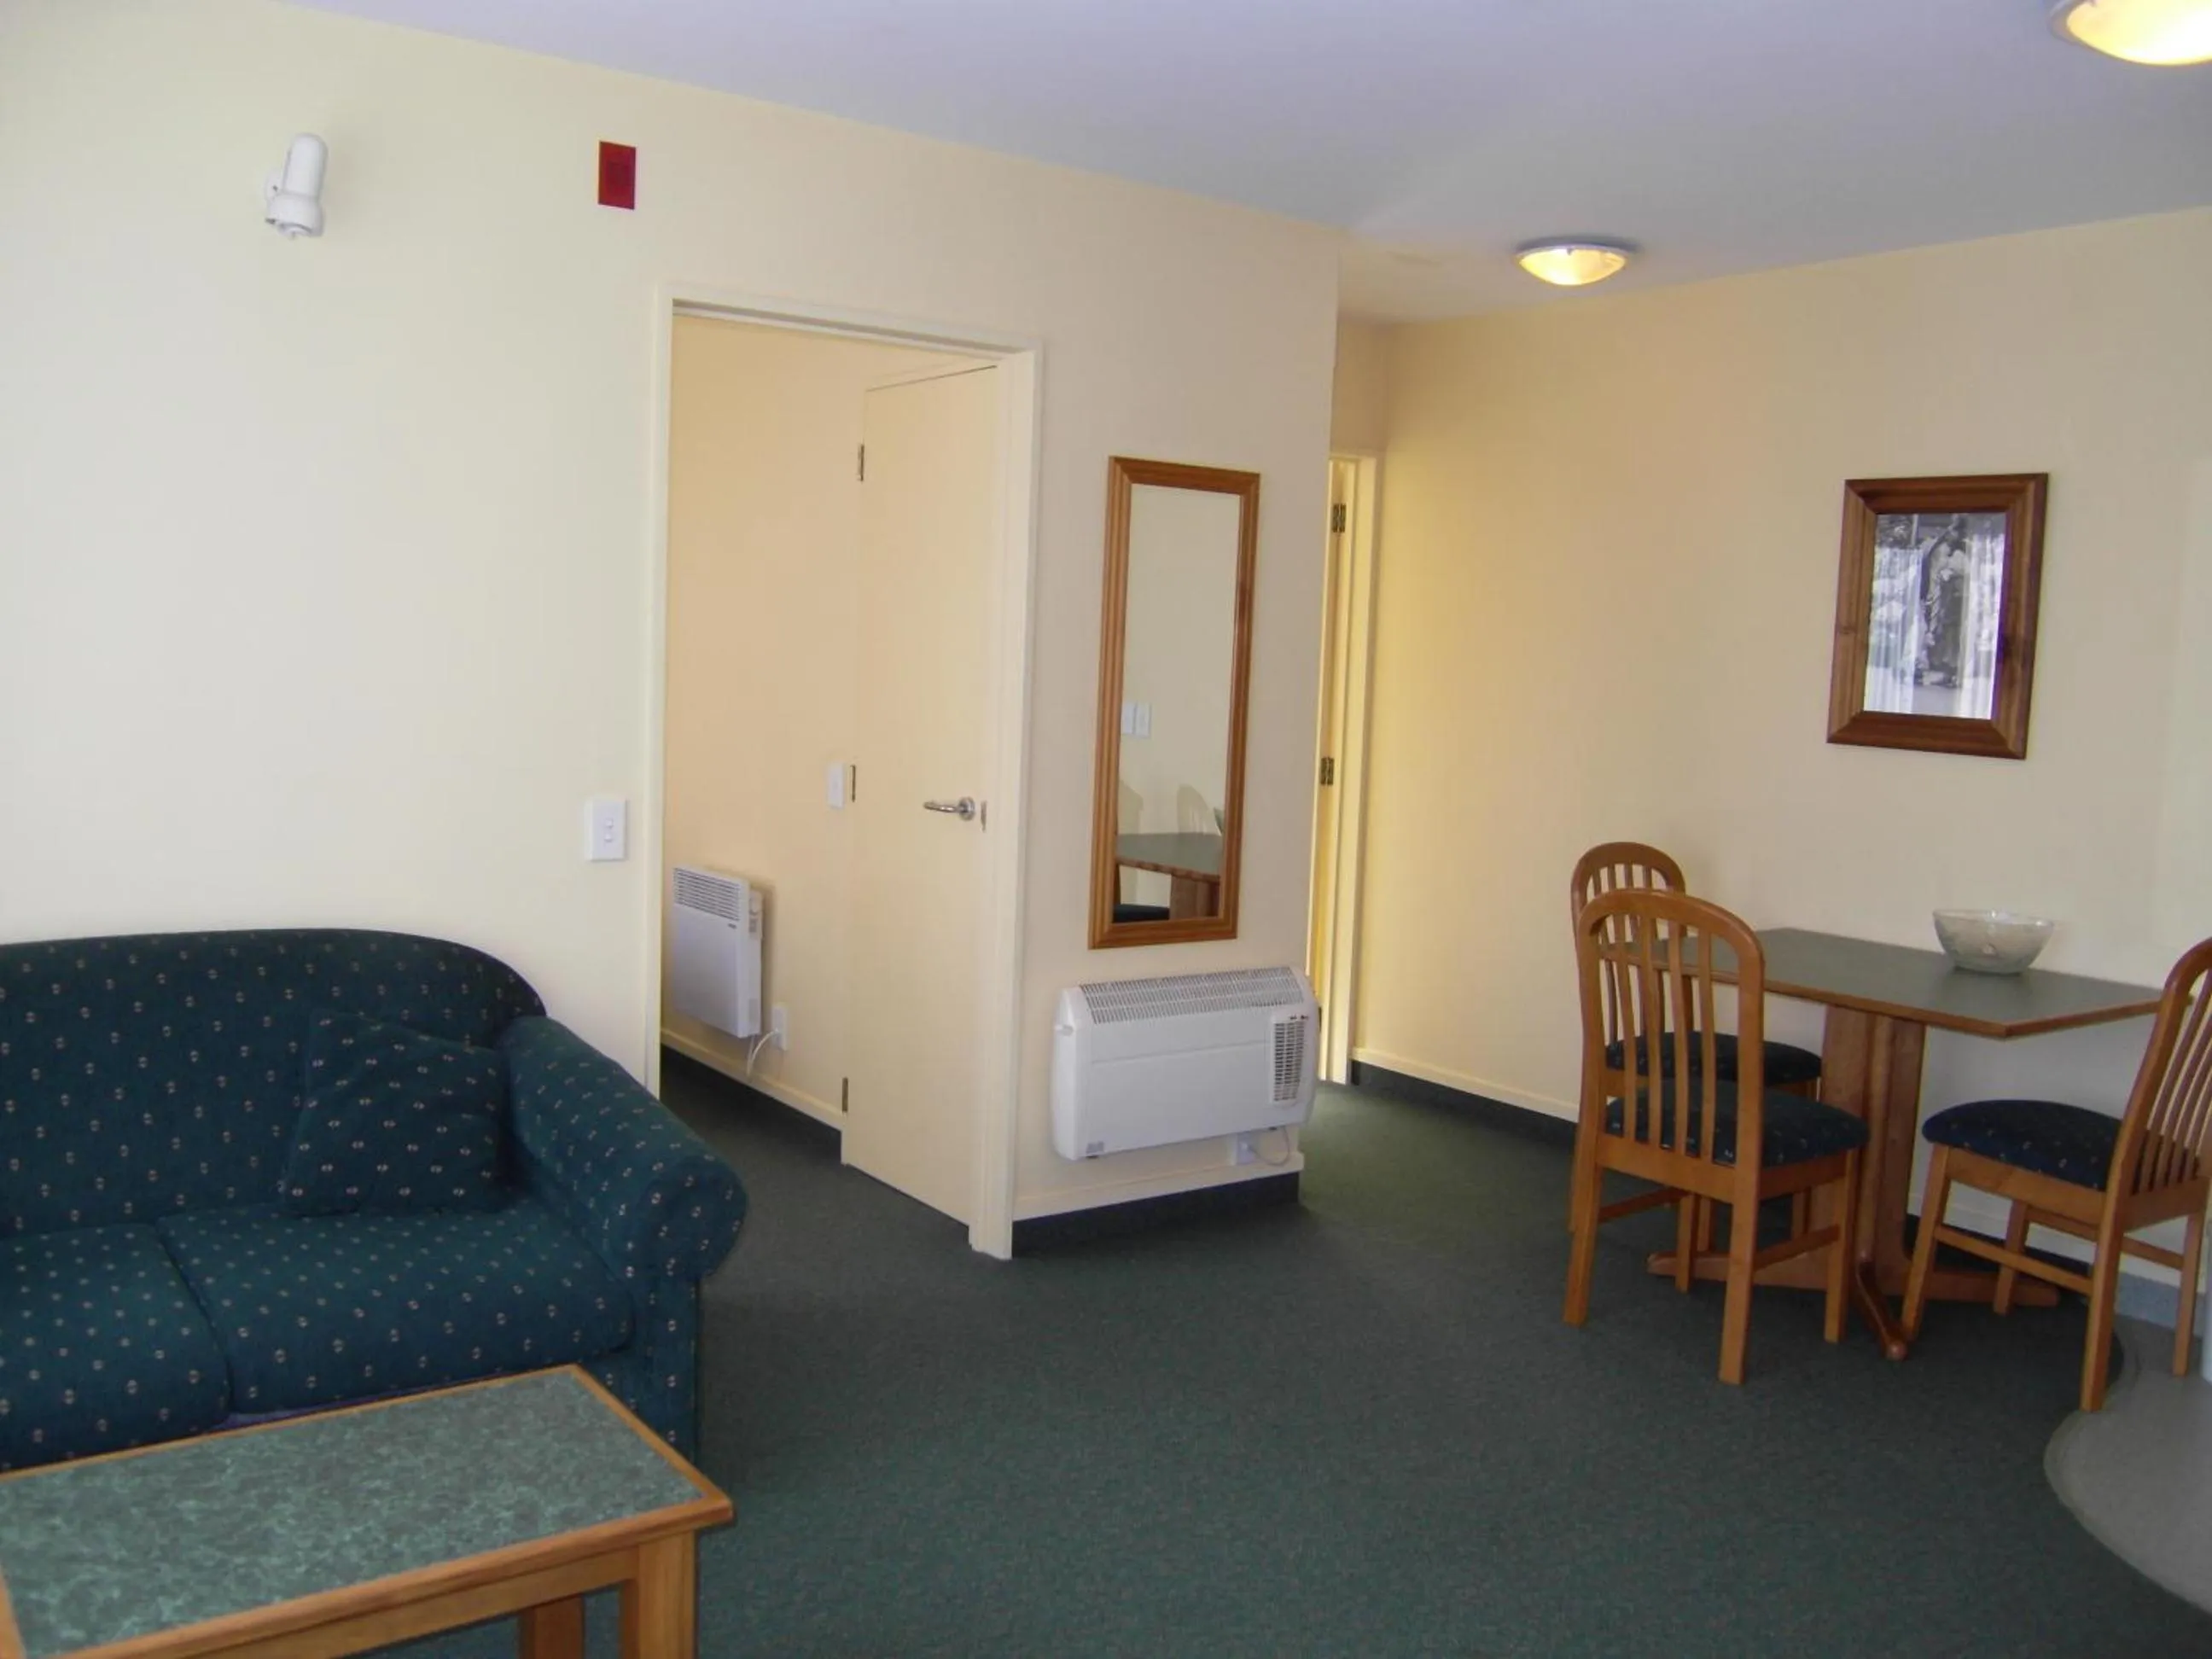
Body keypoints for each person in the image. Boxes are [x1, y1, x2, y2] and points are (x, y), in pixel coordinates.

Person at [1915, 515, 1972, 689]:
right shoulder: (1941, 548)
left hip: (1953, 601)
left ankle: (1950, 672)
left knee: (1950, 635)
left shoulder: (1959, 552)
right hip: (1938, 598)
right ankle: (1924, 667)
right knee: (1933, 631)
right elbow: (1934, 580)